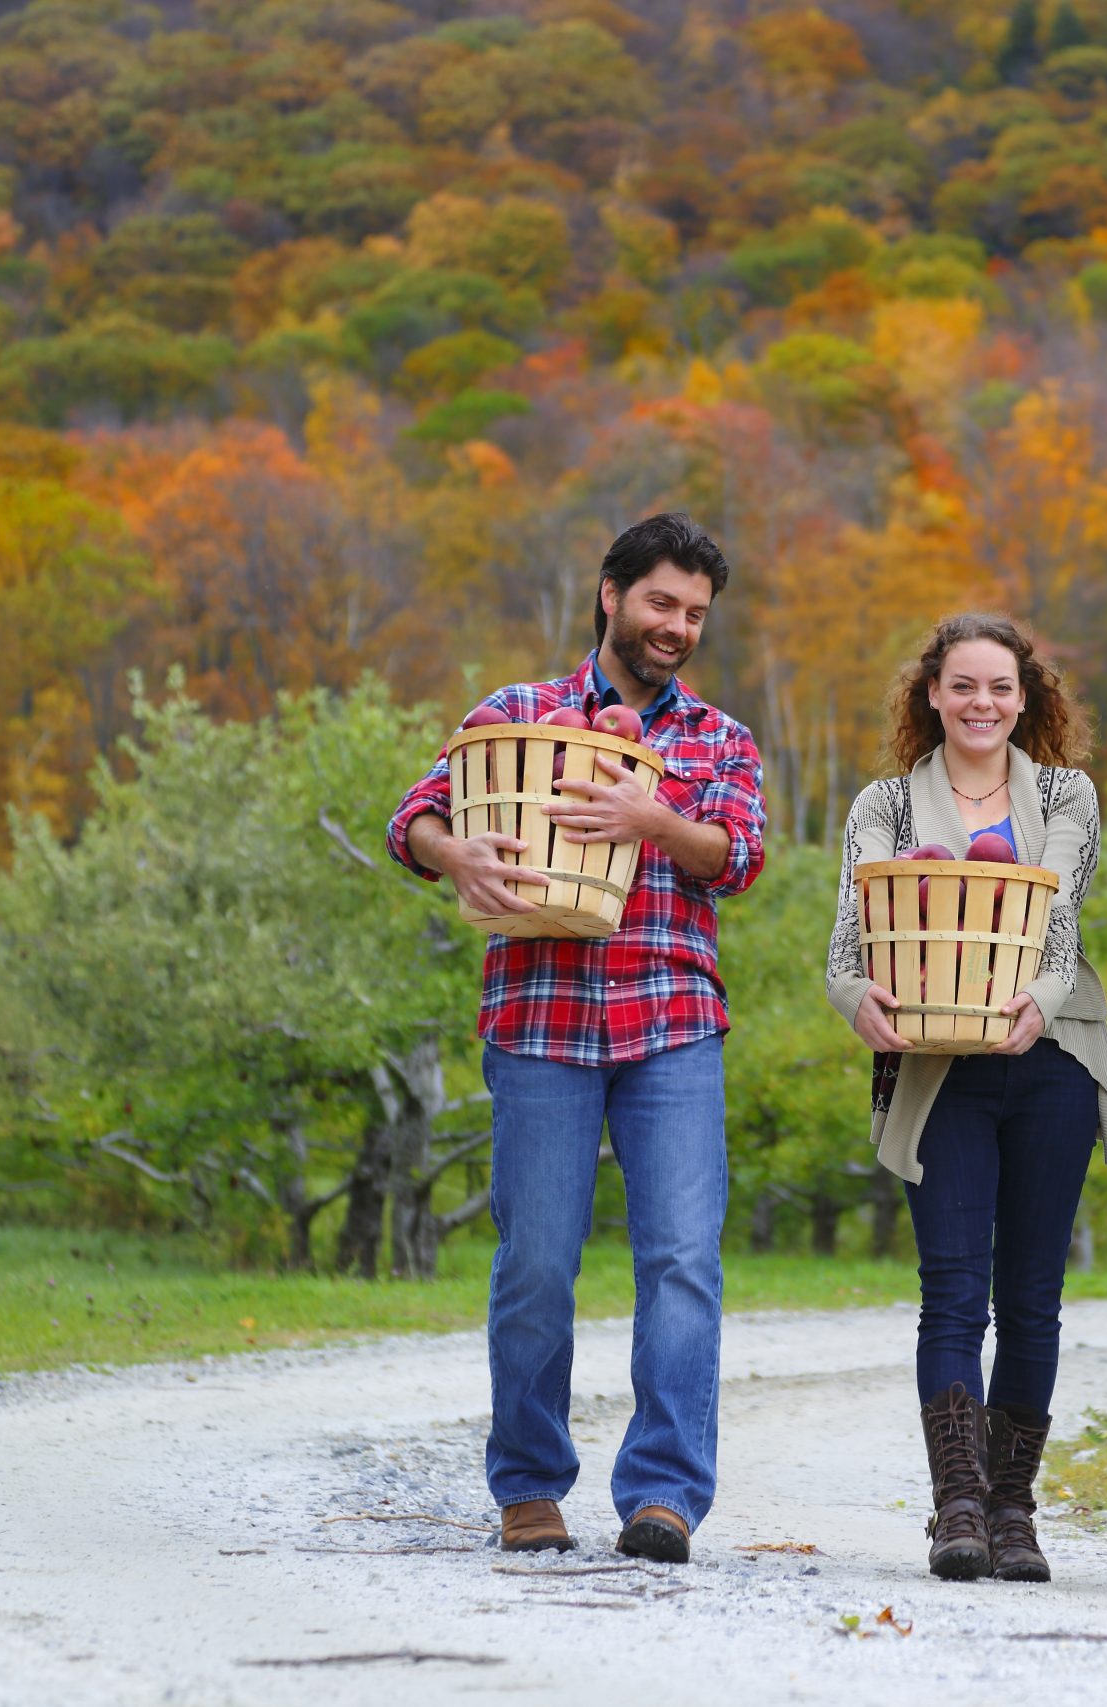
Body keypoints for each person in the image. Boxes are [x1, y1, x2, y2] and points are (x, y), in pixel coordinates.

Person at [386, 512, 766, 1564]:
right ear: (611, 595)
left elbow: (735, 857)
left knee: (683, 1264)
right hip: (540, 1020)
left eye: (693, 613)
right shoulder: (519, 713)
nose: (675, 626)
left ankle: (663, 1497)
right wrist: (453, 855)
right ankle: (528, 1488)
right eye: (659, 602)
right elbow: (410, 817)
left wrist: (654, 823)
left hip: (671, 1021)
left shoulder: (717, 739)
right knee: (536, 1266)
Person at [824, 614, 1107, 1584]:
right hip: (936, 1058)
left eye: (1001, 688)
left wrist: (1037, 1006)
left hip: (1051, 1059)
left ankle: (1012, 1510)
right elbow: (849, 940)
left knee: (1031, 1295)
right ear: (930, 694)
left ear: (1027, 697)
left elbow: (1058, 918)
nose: (982, 704)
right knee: (952, 1291)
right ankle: (955, 1507)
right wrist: (854, 1000)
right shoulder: (884, 807)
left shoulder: (1064, 793)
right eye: (963, 686)